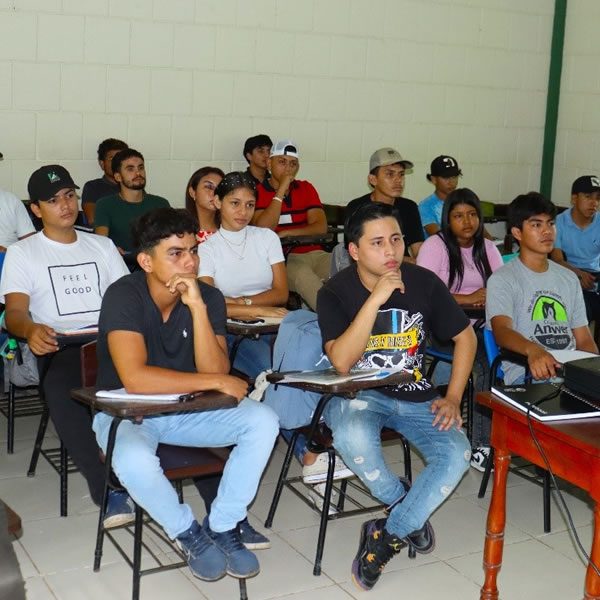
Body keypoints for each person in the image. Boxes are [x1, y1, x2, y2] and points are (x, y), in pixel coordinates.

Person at [92, 207, 279, 582]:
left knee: (263, 422)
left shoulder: (207, 297)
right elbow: (135, 378)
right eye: (175, 253)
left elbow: (216, 372)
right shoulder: (123, 295)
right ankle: (187, 533)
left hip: (188, 411)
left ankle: (223, 524)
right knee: (132, 460)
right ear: (146, 260)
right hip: (127, 411)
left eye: (193, 250)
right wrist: (214, 382)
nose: (190, 261)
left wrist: (195, 307)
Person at [317, 202, 475, 591]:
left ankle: (388, 534)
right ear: (354, 251)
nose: (390, 251)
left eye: (396, 240)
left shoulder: (424, 282)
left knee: (457, 453)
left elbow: (466, 337)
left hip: (416, 394)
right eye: (377, 243)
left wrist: (453, 396)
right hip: (359, 394)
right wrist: (375, 299)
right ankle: (405, 505)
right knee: (352, 437)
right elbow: (340, 361)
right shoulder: (334, 292)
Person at [0, 165, 129, 516]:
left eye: (70, 196)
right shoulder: (22, 254)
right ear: (37, 210)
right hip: (60, 346)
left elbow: (126, 300)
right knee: (62, 391)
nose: (66, 205)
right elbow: (14, 313)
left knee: (145, 383)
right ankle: (107, 489)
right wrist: (29, 331)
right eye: (54, 200)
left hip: (111, 341)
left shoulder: (101, 246)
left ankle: (141, 466)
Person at [417, 188, 503, 472]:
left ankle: (513, 435)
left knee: (511, 359)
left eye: (472, 215)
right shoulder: (435, 246)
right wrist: (468, 299)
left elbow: (501, 289)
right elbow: (425, 295)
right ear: (447, 219)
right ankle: (481, 444)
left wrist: (490, 296)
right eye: (458, 216)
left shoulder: (488, 248)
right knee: (485, 366)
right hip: (442, 331)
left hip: (483, 327)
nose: (467, 221)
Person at [487, 192, 598, 386]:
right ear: (517, 233)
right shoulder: (503, 279)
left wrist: (594, 370)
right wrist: (533, 350)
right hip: (529, 374)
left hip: (568, 373)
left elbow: (584, 339)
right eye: (537, 225)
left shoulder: (569, 278)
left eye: (551, 224)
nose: (547, 231)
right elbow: (502, 331)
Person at [198, 172, 288, 377]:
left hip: (274, 324)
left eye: (250, 205)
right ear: (218, 202)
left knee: (303, 362)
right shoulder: (207, 248)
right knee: (271, 371)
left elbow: (281, 293)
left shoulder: (267, 238)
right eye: (235, 203)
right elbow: (211, 305)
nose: (243, 212)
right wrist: (259, 309)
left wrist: (239, 303)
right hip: (232, 332)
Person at [253, 139, 330, 310]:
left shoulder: (306, 188)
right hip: (284, 260)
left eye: (293, 164)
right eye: (282, 162)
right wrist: (281, 191)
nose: (288, 168)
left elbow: (320, 227)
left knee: (347, 270)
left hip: (317, 253)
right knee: (304, 277)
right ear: (269, 164)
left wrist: (288, 233)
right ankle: (336, 321)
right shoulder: (257, 192)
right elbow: (263, 229)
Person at [345, 147, 424, 262]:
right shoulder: (357, 207)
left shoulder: (409, 207)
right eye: (390, 174)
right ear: (373, 180)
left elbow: (419, 251)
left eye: (401, 174)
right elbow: (356, 255)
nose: (398, 180)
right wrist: (407, 261)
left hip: (403, 269)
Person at [550, 175, 600, 339]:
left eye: (598, 198)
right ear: (574, 198)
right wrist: (578, 274)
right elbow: (557, 260)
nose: (594, 203)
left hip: (595, 276)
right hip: (569, 275)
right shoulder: (560, 222)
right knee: (581, 309)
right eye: (588, 197)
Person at [94, 148, 169, 255]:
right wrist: (112, 250)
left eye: (141, 167)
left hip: (155, 266)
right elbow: (101, 242)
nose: (138, 173)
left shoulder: (161, 203)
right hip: (121, 266)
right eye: (130, 169)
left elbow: (170, 240)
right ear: (118, 177)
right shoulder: (105, 205)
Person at [81, 138, 128, 226]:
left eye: (121, 159)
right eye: (112, 159)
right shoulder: (93, 187)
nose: (117, 163)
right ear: (102, 164)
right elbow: (93, 219)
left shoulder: (132, 185)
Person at [419, 155, 462, 238]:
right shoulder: (426, 206)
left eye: (454, 177)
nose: (451, 182)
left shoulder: (463, 202)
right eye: (446, 178)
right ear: (433, 179)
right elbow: (438, 236)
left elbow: (479, 230)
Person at [184, 166, 225, 243]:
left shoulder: (229, 231)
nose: (215, 193)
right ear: (192, 192)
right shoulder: (180, 232)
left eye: (219, 189)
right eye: (209, 187)